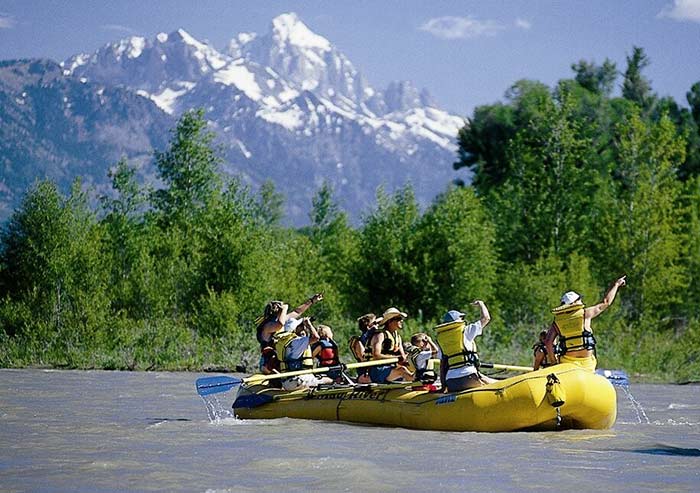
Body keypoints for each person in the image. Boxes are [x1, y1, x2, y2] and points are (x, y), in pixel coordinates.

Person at [545, 275, 627, 372]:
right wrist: (616, 285)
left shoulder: (557, 321)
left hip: (566, 362)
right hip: (587, 363)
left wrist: (554, 363)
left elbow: (548, 342)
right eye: (579, 299)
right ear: (575, 302)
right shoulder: (586, 314)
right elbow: (606, 302)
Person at [436, 301, 497, 392]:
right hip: (468, 375)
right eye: (462, 318)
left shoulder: (441, 339)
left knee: (483, 377)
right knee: (495, 384)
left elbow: (442, 365)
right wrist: (481, 304)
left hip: (450, 380)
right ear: (458, 320)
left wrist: (443, 387)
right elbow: (486, 318)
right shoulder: (466, 330)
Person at [255, 293, 323, 374]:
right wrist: (284, 309)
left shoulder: (280, 320)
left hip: (279, 359)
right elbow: (280, 325)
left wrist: (312, 300)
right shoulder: (268, 325)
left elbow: (297, 312)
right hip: (268, 363)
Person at [274, 317, 333, 391]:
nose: (303, 327)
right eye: (301, 326)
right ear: (294, 329)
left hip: (290, 380)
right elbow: (316, 337)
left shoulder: (286, 341)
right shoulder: (296, 342)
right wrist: (309, 325)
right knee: (329, 381)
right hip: (296, 380)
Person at [366, 307, 414, 383]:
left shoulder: (398, 337)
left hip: (391, 368)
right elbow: (376, 355)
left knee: (410, 368)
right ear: (390, 321)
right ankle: (417, 384)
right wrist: (396, 358)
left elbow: (402, 357)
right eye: (398, 319)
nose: (401, 321)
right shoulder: (380, 335)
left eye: (401, 319)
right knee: (402, 370)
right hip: (377, 370)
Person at [349, 313, 381, 383]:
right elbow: (363, 358)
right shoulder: (359, 341)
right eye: (375, 323)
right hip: (365, 372)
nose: (377, 325)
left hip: (376, 369)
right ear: (368, 326)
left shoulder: (376, 337)